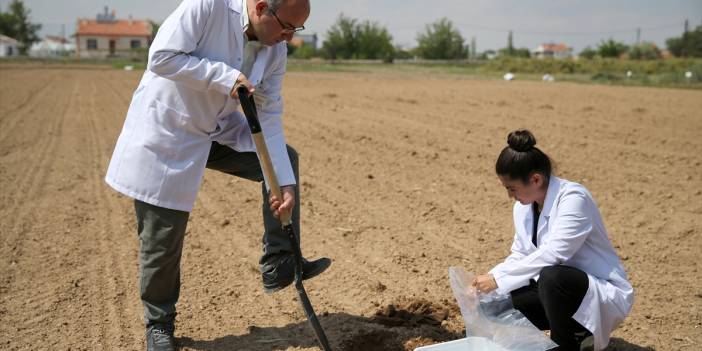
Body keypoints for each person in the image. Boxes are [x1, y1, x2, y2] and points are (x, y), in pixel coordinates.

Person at [104, 1, 330, 350]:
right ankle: (159, 326)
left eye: (295, 31)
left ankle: (280, 260)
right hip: (172, 130)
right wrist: (224, 77)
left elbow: (268, 115)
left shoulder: (276, 49)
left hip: (218, 130)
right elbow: (161, 56)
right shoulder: (207, 7)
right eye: (286, 26)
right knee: (163, 235)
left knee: (283, 159)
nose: (288, 37)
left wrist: (282, 184)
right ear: (260, 8)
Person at [471, 130, 634, 351]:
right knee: (493, 305)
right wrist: (489, 281)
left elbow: (555, 254)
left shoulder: (574, 198)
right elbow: (521, 253)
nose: (510, 195)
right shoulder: (523, 207)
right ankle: (561, 337)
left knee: (551, 277)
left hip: (593, 292)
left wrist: (499, 279)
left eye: (512, 188)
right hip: (553, 292)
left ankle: (569, 342)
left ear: (536, 179)